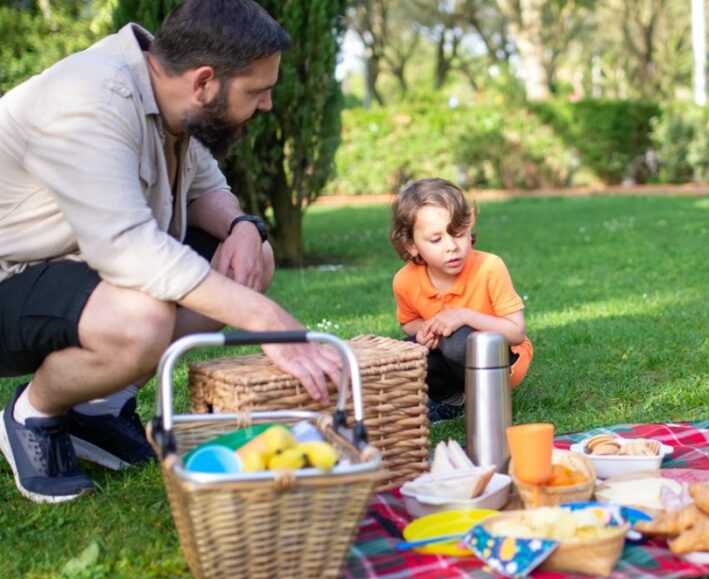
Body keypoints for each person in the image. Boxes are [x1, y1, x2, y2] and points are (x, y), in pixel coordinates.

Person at [0, 0, 341, 504]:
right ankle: (33, 414)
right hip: (11, 280)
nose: (267, 105)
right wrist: (268, 321)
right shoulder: (89, 101)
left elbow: (208, 193)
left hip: (70, 273)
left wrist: (244, 228)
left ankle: (97, 410)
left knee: (248, 257)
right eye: (257, 91)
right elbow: (128, 250)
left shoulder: (170, 96)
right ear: (204, 82)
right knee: (141, 317)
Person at [389, 178, 533, 423]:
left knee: (456, 340)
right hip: (451, 357)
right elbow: (408, 323)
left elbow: (517, 332)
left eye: (458, 234)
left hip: (501, 361)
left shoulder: (489, 267)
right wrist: (427, 329)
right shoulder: (404, 280)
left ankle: (486, 401)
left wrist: (464, 316)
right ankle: (452, 401)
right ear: (411, 246)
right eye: (436, 240)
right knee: (407, 352)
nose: (451, 247)